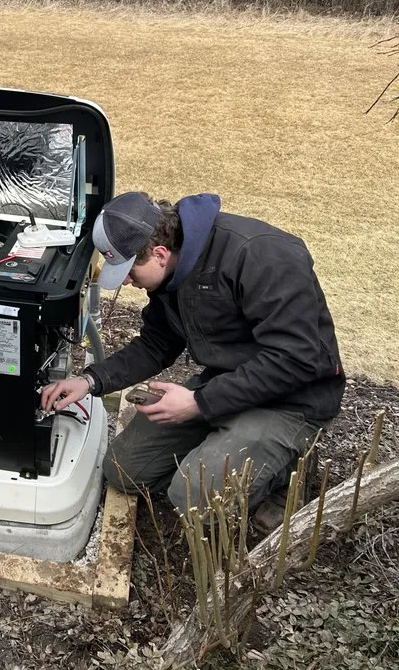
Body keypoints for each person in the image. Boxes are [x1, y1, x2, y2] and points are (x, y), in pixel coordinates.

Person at [40, 192, 345, 519]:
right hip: (227, 383)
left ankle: (283, 469)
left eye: (129, 271)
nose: (126, 282)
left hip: (292, 401)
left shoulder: (258, 254)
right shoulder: (172, 271)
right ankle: (225, 447)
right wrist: (90, 380)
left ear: (158, 253)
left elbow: (296, 359)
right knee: (123, 470)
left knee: (193, 497)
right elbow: (156, 343)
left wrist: (198, 404)